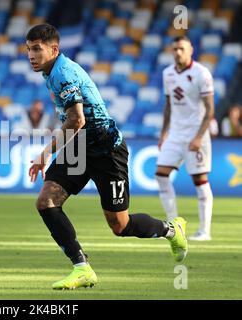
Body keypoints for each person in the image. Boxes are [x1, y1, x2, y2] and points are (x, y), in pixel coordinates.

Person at [26, 23, 188, 290]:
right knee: (46, 201)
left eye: (36, 49)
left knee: (120, 225)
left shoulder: (63, 74)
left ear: (54, 49)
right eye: (28, 50)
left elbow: (76, 120)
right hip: (79, 149)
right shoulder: (50, 71)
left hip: (107, 150)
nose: (31, 55)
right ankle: (81, 267)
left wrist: (45, 154)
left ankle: (171, 230)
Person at [156, 36, 215, 241]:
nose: (177, 53)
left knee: (200, 181)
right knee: (160, 174)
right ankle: (174, 227)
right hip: (175, 134)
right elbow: (169, 105)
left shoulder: (201, 74)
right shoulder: (168, 73)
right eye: (174, 49)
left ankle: (204, 231)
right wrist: (164, 133)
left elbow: (209, 110)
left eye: (181, 49)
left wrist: (199, 137)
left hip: (196, 134)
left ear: (191, 50)